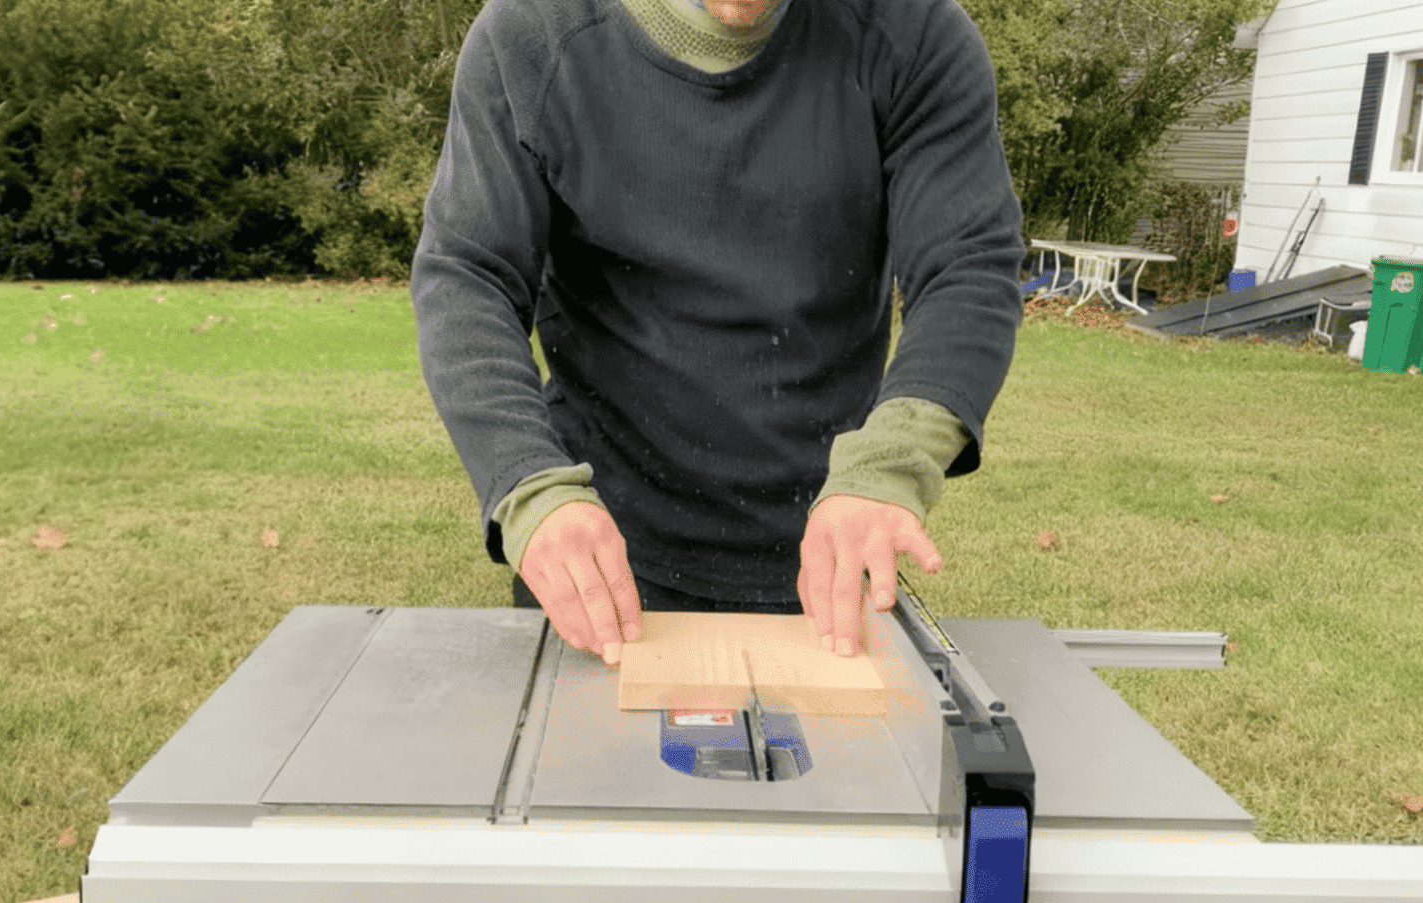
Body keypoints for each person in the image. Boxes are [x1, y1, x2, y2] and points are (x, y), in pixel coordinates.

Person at [411, 0, 1024, 663]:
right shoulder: (532, 35)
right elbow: (468, 276)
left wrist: (889, 467)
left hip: (834, 552)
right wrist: (530, 486)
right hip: (602, 559)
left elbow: (968, 269)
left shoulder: (914, 35)